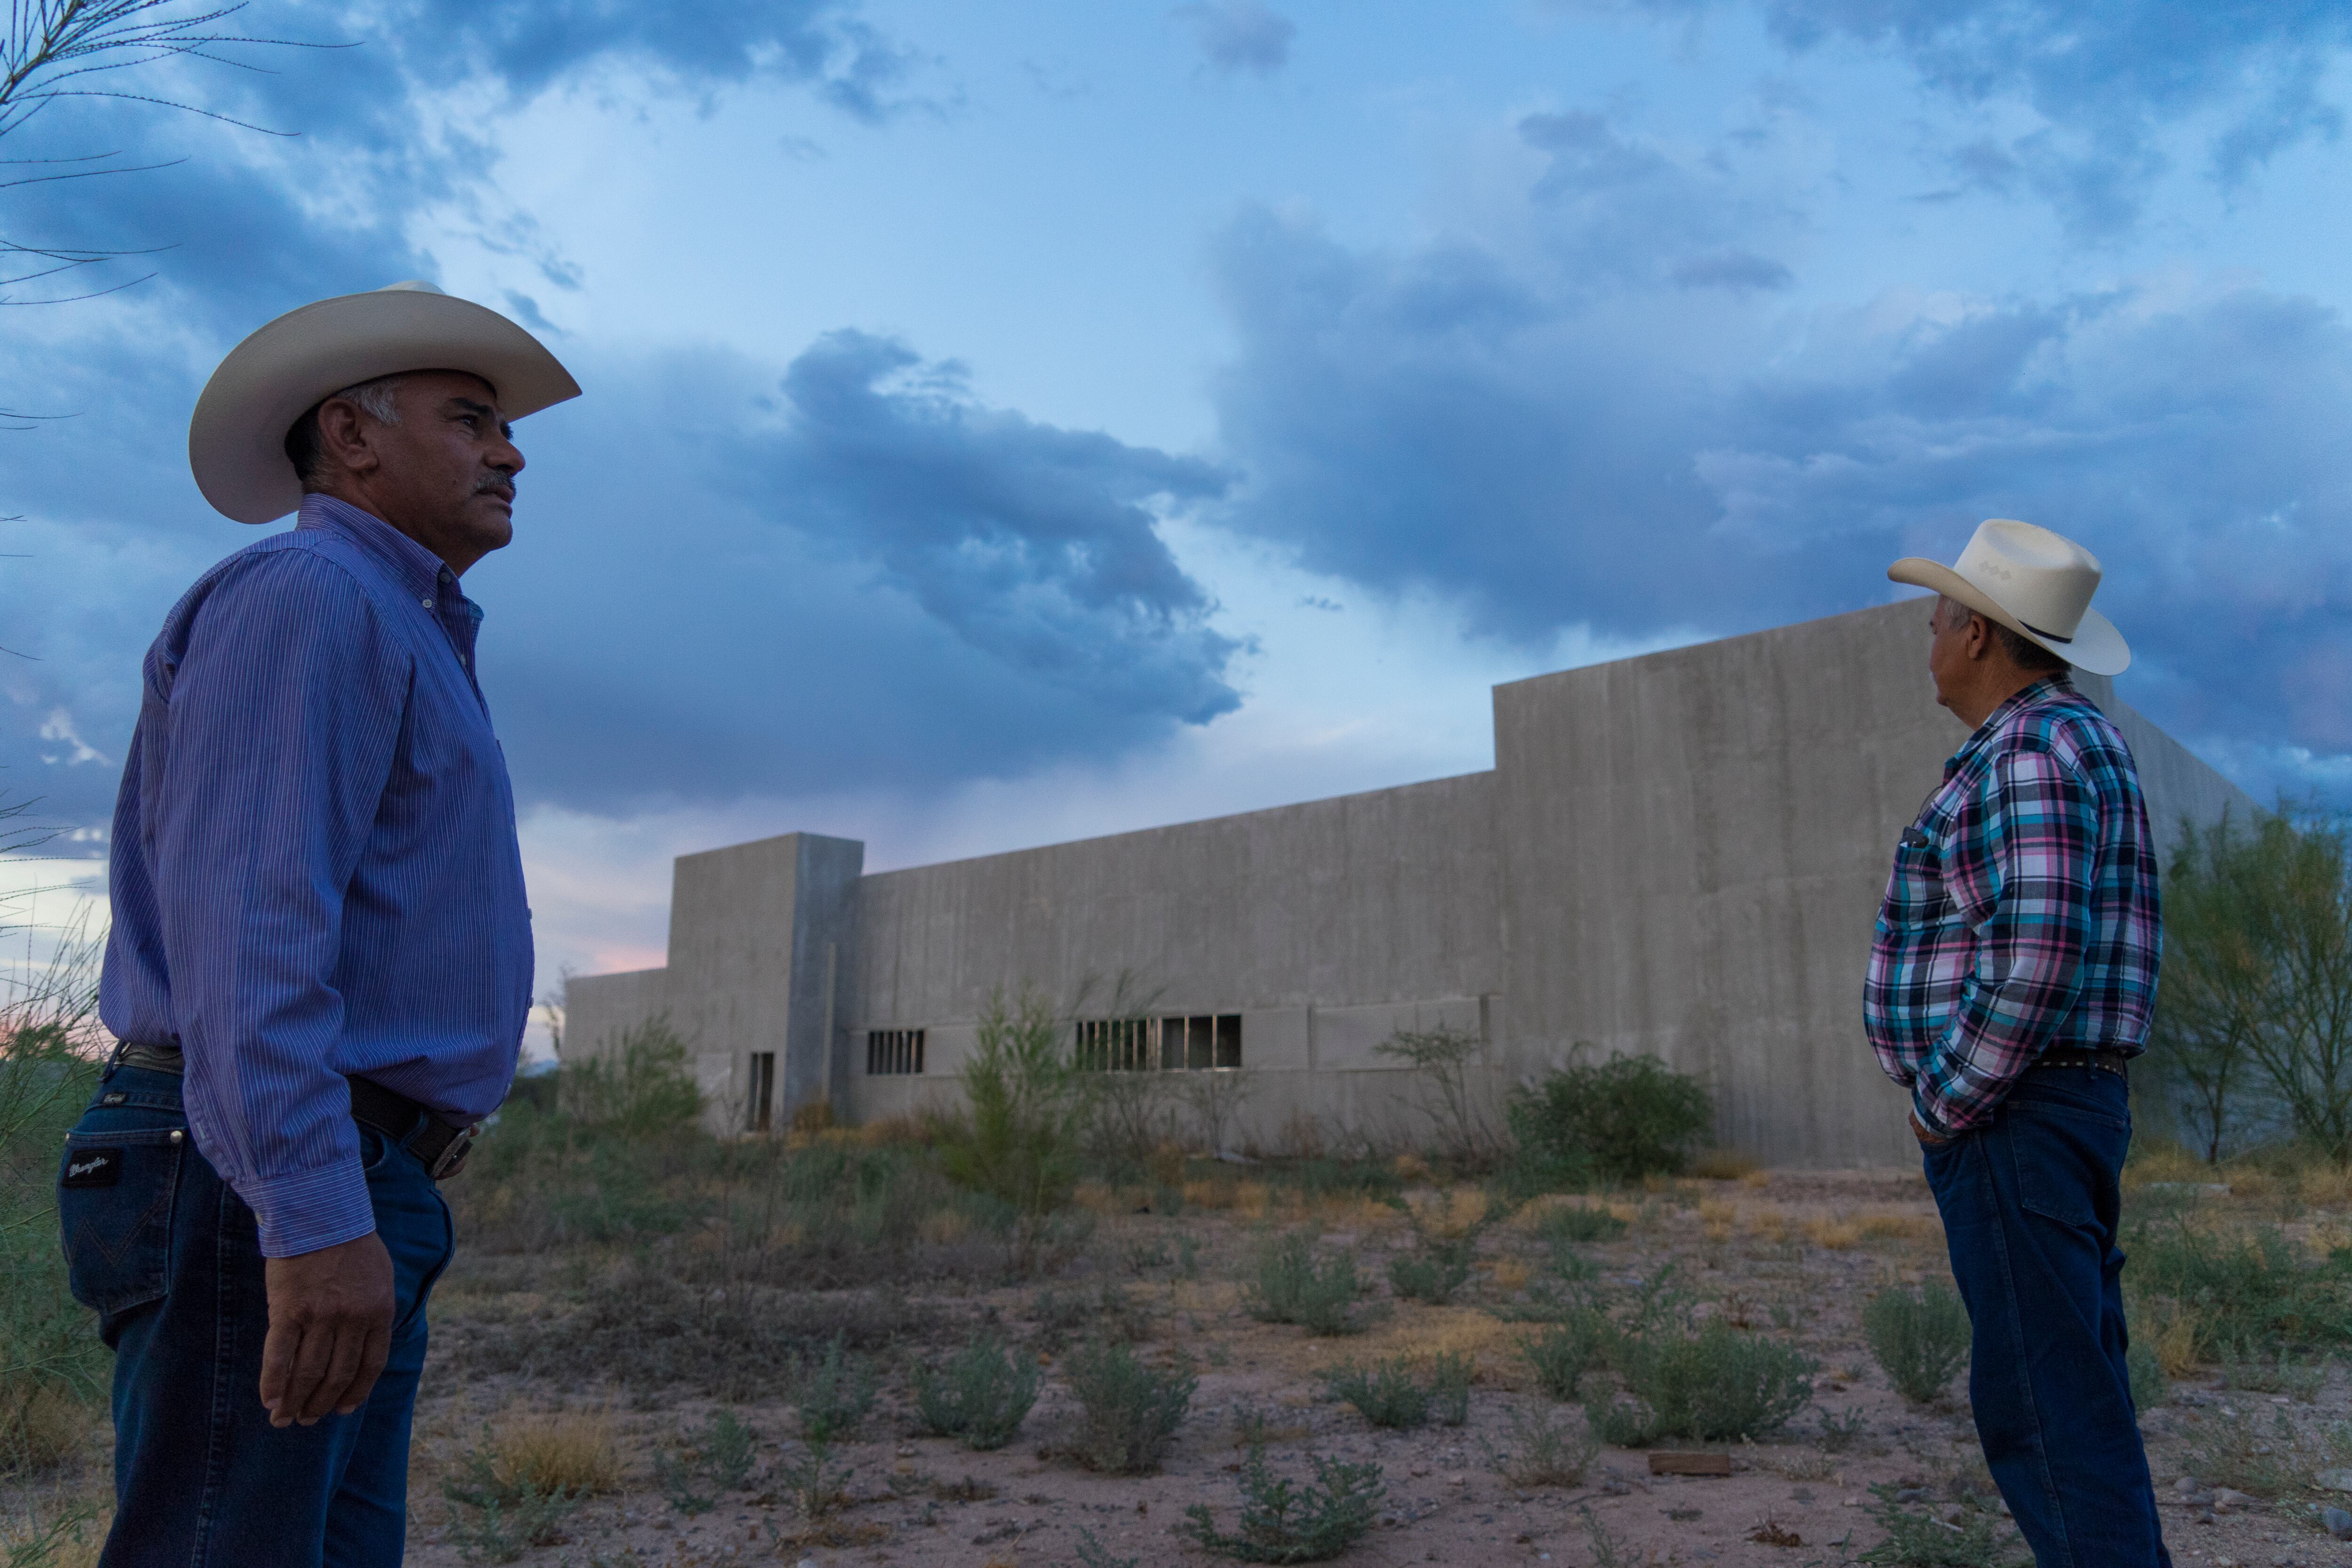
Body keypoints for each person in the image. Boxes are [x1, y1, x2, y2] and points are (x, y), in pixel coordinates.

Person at [61, 282, 579, 1565]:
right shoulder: (311, 596)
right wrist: (312, 1201)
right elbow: (253, 930)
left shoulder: (395, 621)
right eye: (473, 419)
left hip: (331, 1160)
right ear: (350, 435)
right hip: (263, 1165)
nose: (511, 451)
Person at [1867, 518, 2170, 1567]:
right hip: (2054, 1110)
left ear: (1982, 635)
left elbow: (2034, 954)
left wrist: (1940, 1103)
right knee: (2075, 1400)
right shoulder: (2070, 740)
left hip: (2014, 1116)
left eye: (1941, 616)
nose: (1931, 636)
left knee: (2046, 1417)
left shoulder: (2030, 750)